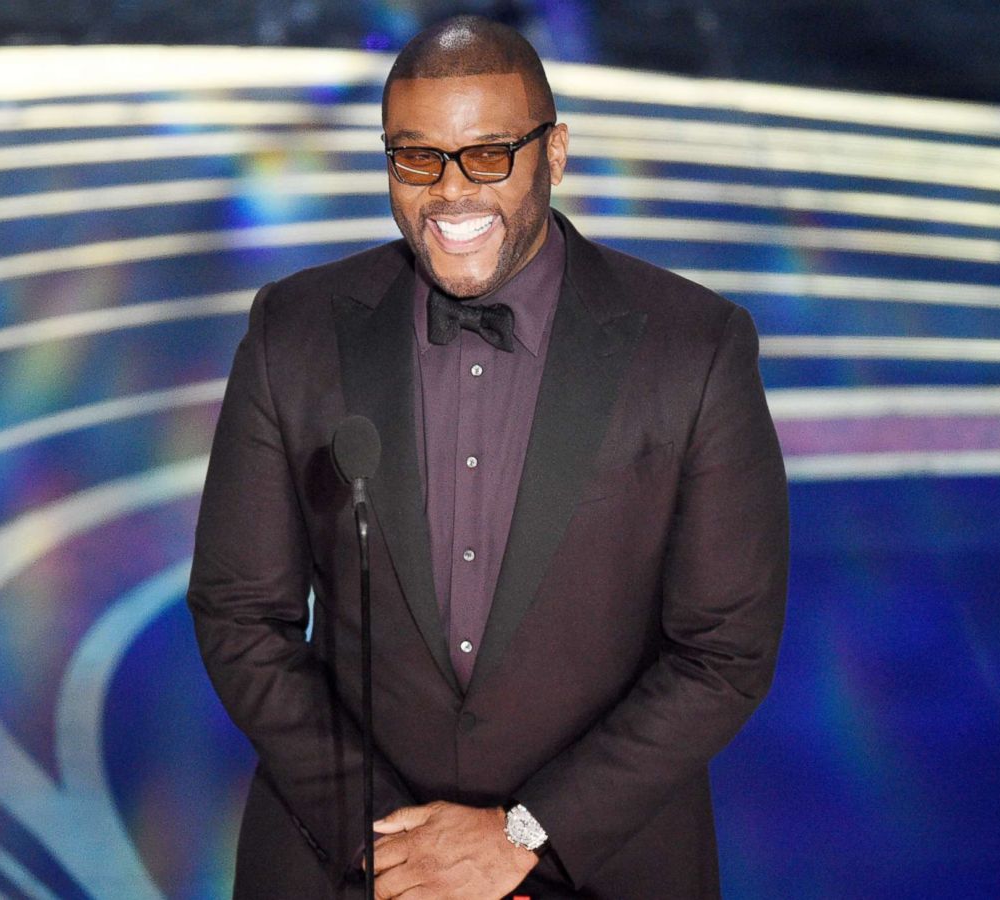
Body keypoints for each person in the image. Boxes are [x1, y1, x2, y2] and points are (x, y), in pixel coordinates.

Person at [187, 14, 789, 899]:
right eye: (416, 157)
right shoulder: (295, 329)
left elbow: (725, 651)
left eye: (490, 154)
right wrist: (391, 847)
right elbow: (242, 613)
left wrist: (521, 838)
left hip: (599, 862)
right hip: (347, 864)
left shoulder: (694, 348)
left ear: (556, 154)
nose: (450, 192)